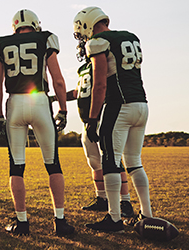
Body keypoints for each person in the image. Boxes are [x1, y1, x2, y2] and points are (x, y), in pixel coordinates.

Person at [0, 9, 74, 236]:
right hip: (40, 100)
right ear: (35, 24)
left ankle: (22, 222)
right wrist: (64, 109)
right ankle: (60, 220)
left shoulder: (0, 43)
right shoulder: (44, 38)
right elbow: (57, 78)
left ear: (15, 26)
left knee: (16, 166)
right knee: (52, 163)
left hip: (14, 103)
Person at [73, 6, 152, 232]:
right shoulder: (130, 37)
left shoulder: (98, 42)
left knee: (110, 161)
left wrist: (92, 119)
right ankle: (146, 214)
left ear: (87, 24)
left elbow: (100, 84)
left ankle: (114, 218)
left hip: (119, 105)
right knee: (134, 162)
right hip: (141, 104)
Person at [51, 41, 134, 217]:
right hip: (87, 121)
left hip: (103, 118)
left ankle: (125, 201)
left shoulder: (103, 64)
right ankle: (101, 198)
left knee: (113, 160)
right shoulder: (83, 69)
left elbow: (103, 86)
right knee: (94, 161)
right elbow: (79, 92)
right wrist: (56, 98)